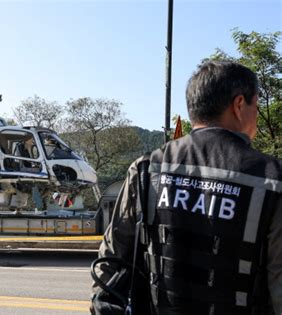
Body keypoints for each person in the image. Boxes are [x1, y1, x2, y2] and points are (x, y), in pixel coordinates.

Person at [91, 61, 282, 314]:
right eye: (255, 105)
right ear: (238, 105)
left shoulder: (148, 169)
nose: (257, 114)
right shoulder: (272, 178)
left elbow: (112, 258)